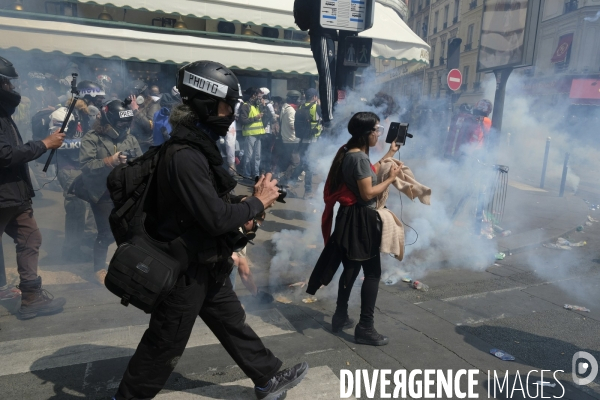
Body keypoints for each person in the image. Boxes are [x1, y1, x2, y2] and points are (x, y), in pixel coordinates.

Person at [115, 60, 308, 400]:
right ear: (206, 105)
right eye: (226, 106)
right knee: (163, 344)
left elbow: (209, 201)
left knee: (231, 321)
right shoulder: (184, 155)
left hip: (205, 259)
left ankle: (266, 378)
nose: (231, 113)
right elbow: (217, 217)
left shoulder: (197, 148)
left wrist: (251, 201)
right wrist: (257, 202)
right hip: (183, 271)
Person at [308, 112, 401, 346]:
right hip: (361, 220)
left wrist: (389, 154)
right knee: (372, 273)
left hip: (350, 218)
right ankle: (366, 327)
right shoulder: (358, 158)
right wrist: (391, 179)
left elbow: (368, 172)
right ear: (367, 133)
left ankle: (340, 317)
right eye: (377, 130)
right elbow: (368, 192)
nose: (379, 134)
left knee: (350, 268)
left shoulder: (350, 152)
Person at [0, 55, 67, 318]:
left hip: (13, 195)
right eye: (8, 83)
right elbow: (4, 155)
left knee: (31, 238)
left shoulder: (3, 114)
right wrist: (44, 144)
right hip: (3, 195)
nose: (13, 89)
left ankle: (31, 298)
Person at [79, 99, 142, 285]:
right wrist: (110, 161)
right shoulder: (92, 137)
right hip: (102, 192)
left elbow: (140, 162)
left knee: (132, 231)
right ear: (108, 120)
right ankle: (98, 268)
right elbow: (85, 165)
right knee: (106, 232)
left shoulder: (130, 138)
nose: (123, 126)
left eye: (126, 122)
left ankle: (127, 265)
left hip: (126, 192)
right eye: (120, 122)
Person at [48, 107, 91, 262]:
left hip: (81, 167)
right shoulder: (62, 114)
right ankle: (71, 252)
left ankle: (79, 245)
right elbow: (58, 141)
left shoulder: (85, 116)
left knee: (86, 207)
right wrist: (87, 142)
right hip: (68, 168)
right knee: (76, 209)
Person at [229, 213, 274, 304]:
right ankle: (229, 299)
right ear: (249, 221)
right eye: (256, 225)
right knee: (233, 261)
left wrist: (256, 293)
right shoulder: (237, 235)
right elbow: (244, 272)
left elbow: (245, 272)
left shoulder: (231, 221)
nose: (256, 229)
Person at [291, 88, 322, 198]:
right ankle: (307, 191)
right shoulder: (316, 107)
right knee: (309, 166)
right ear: (314, 97)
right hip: (312, 141)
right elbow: (326, 121)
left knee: (304, 164)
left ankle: (290, 183)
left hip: (303, 140)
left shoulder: (301, 107)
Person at [127, 80, 161, 152]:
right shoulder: (131, 104)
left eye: (135, 94)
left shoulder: (153, 105)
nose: (132, 97)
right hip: (131, 142)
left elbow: (149, 127)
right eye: (131, 93)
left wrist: (135, 110)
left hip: (145, 144)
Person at [238, 87, 265, 179]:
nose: (259, 97)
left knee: (257, 156)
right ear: (252, 95)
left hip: (258, 134)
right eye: (258, 95)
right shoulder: (246, 105)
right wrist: (255, 118)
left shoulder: (256, 106)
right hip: (250, 134)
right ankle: (247, 174)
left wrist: (263, 106)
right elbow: (243, 120)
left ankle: (256, 174)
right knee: (248, 156)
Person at [278, 90, 301, 191]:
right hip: (292, 139)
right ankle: (284, 180)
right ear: (294, 99)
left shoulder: (285, 107)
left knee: (288, 161)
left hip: (287, 138)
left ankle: (285, 182)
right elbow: (292, 126)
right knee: (295, 162)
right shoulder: (290, 110)